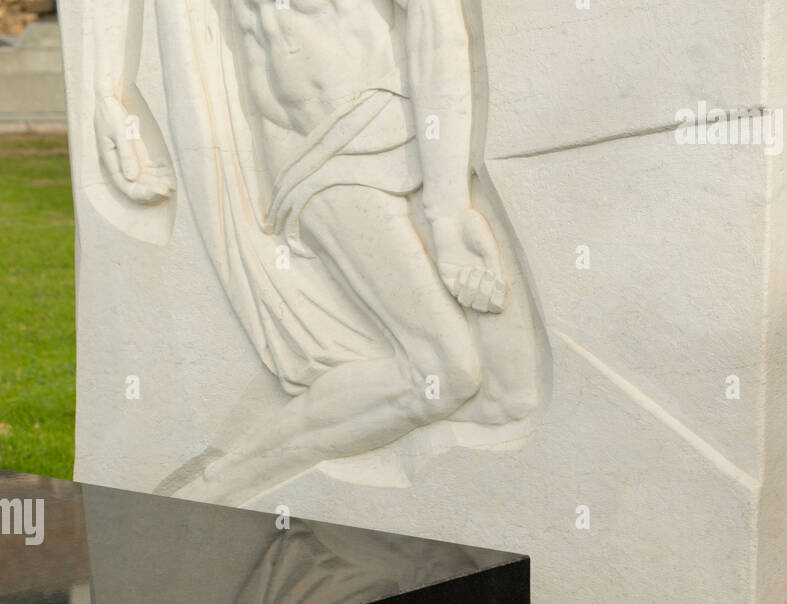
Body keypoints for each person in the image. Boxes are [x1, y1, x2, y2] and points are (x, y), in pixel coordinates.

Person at [89, 0, 539, 504]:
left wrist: (449, 212)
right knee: (445, 370)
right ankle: (217, 494)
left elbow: (439, 29)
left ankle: (225, 496)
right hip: (309, 156)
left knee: (502, 394)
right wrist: (106, 92)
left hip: (388, 122)